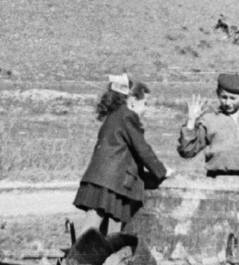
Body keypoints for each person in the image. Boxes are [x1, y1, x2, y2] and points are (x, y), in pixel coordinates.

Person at [72, 74, 170, 234]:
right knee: (90, 230)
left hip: (101, 178)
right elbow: (142, 149)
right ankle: (77, 258)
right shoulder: (127, 116)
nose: (145, 108)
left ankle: (92, 257)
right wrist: (162, 171)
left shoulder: (115, 115)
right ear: (132, 101)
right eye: (144, 103)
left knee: (97, 229)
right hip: (107, 181)